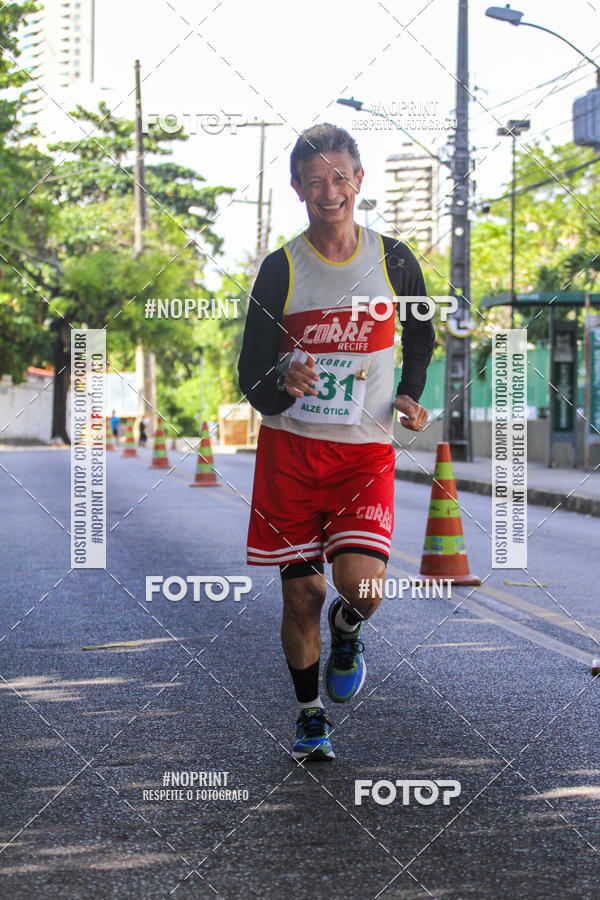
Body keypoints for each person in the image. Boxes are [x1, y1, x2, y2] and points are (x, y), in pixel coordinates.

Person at [238, 123, 435, 762]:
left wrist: (409, 390)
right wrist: (281, 379)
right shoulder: (280, 269)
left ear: (359, 181)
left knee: (362, 588)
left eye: (341, 177)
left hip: (364, 452)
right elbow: (251, 376)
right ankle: (308, 715)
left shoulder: (395, 259)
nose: (330, 191)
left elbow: (422, 332)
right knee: (303, 594)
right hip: (292, 452)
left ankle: (347, 633)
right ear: (298, 188)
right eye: (316, 180)